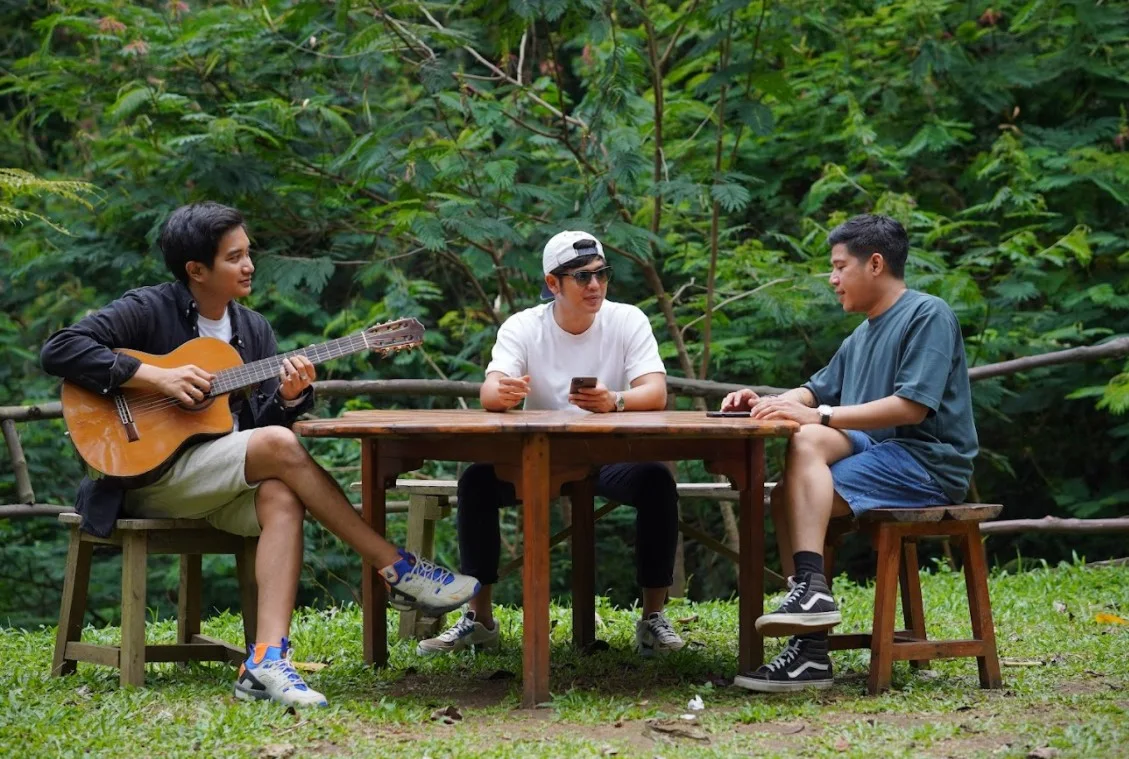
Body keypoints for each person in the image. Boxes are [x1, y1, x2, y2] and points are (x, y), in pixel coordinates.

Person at [40, 202, 480, 707]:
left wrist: (291, 397)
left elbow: (264, 435)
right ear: (196, 270)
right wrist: (157, 376)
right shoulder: (150, 308)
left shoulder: (253, 331)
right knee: (278, 449)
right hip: (146, 479)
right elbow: (60, 349)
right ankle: (393, 565)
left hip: (215, 480)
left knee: (280, 495)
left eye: (249, 253)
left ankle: (266, 661)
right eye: (234, 257)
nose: (249, 265)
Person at [720, 214, 978, 692]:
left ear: (875, 263)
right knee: (791, 479)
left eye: (839, 267)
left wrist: (818, 416)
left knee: (799, 472)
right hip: (877, 455)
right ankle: (811, 624)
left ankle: (809, 625)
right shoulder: (861, 334)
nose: (833, 280)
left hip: (925, 463)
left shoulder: (928, 314)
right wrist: (764, 401)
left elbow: (913, 407)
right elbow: (813, 393)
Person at [416, 230, 685, 658]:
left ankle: (653, 616)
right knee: (476, 484)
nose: (594, 286)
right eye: (581, 277)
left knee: (656, 480)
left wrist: (613, 401)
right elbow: (491, 388)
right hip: (541, 458)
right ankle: (479, 618)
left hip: (612, 456)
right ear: (553, 284)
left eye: (601, 274)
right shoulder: (523, 327)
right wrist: (502, 395)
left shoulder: (628, 319)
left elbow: (655, 391)